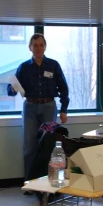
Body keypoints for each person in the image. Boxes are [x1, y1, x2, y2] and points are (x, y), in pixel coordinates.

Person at [7, 33, 69, 178]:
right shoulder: (23, 67)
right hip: (30, 108)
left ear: (45, 47)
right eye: (35, 45)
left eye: (41, 45)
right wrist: (13, 89)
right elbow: (10, 91)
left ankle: (49, 182)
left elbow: (63, 88)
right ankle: (30, 182)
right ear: (30, 48)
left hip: (49, 107)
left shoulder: (53, 65)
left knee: (49, 146)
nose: (38, 48)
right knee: (29, 147)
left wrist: (64, 110)